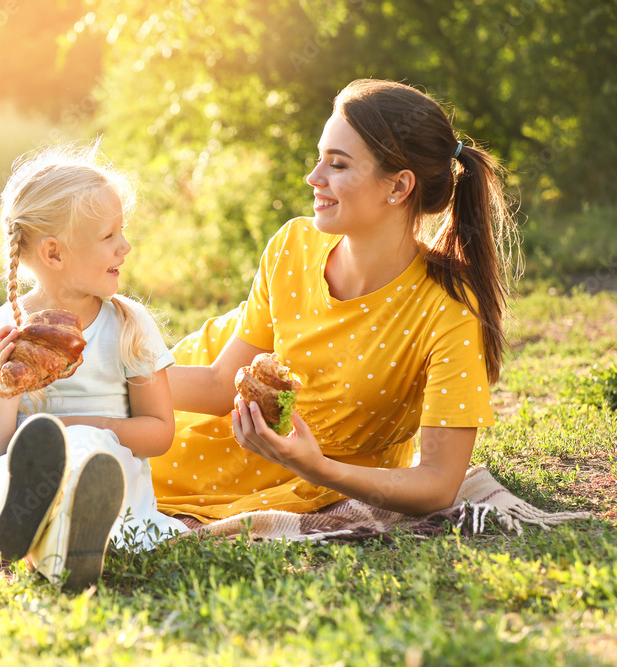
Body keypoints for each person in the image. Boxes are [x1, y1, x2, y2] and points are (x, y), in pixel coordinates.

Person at [153, 78, 520, 522]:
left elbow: (439, 485)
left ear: (398, 186)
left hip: (313, 472)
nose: (314, 177)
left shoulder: (449, 310)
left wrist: (315, 467)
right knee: (92, 421)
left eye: (338, 165)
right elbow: (219, 382)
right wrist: (112, 375)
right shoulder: (292, 244)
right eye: (319, 158)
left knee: (115, 482)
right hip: (201, 402)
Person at [0, 141, 188, 590]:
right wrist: (8, 390)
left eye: (123, 231)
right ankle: (48, 536)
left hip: (107, 473)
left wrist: (89, 425)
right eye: (109, 237)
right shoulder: (3, 329)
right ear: (54, 254)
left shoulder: (128, 326)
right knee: (14, 466)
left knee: (85, 451)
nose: (126, 246)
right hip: (19, 475)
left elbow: (159, 432)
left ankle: (62, 536)